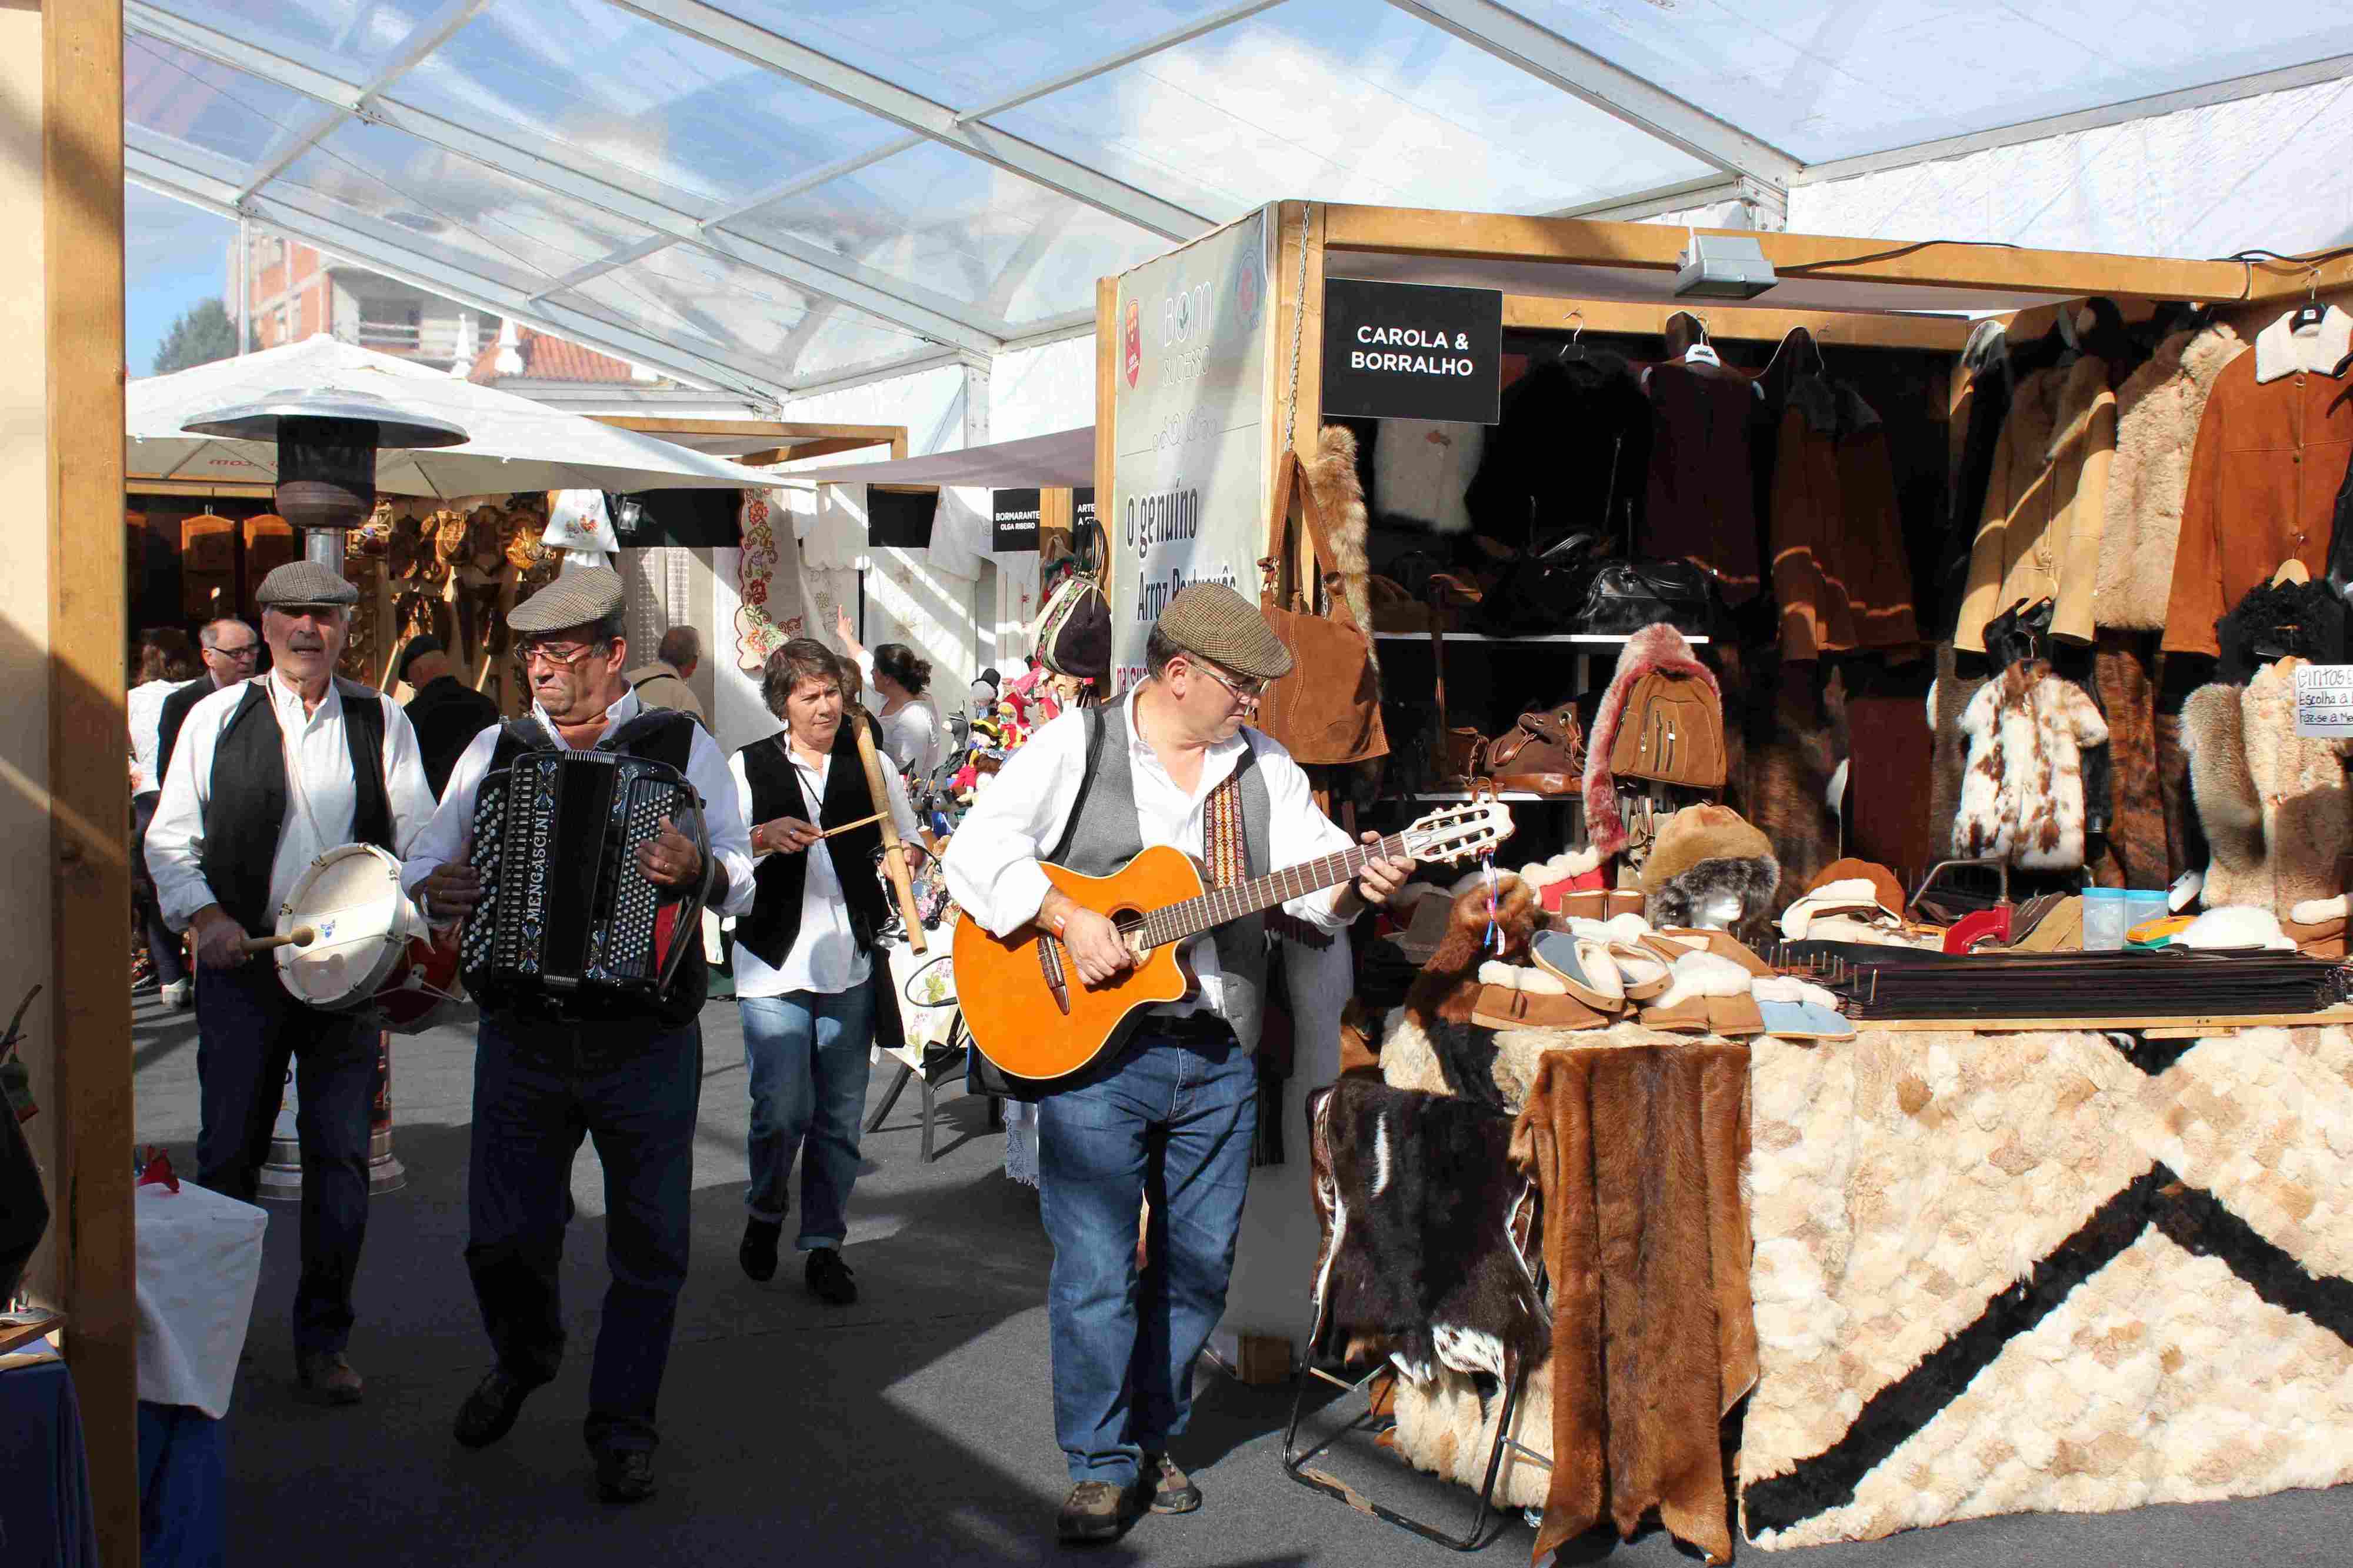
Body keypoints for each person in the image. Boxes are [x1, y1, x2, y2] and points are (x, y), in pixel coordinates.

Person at [941, 582, 1415, 1544]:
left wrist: (1363, 883)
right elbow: (976, 851)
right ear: (1180, 674)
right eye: (1242, 685)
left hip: (1216, 1050)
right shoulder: (1077, 745)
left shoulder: (1264, 767)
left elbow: (1320, 886)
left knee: (1200, 1269)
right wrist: (1070, 916)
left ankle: (1149, 1433)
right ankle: (1101, 1462)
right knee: (1099, 1267)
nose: (1255, 703)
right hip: (1094, 1055)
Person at [401, 567, 754, 1506]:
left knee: (652, 1244)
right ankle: (527, 1352)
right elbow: (428, 855)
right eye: (532, 654)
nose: (541, 671)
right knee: (501, 1236)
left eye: (559, 654)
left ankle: (624, 1425)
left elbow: (743, 868)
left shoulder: (681, 743)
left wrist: (699, 871)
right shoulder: (496, 746)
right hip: (523, 1031)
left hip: (644, 1035)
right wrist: (435, 885)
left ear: (610, 656)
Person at [144, 562, 436, 1406]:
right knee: (229, 1153)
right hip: (244, 969)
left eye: (326, 615)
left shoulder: (381, 719)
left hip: (346, 976)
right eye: (292, 615)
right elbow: (168, 842)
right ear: (265, 626)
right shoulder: (213, 717)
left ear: (348, 629)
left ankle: (323, 1339)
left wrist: (410, 901)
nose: (309, 629)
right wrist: (207, 921)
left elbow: (417, 835)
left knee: (340, 1159)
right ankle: (212, 1334)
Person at [726, 639, 918, 1306]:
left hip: (851, 959)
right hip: (773, 959)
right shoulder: (747, 765)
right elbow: (716, 852)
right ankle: (765, 1207)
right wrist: (759, 837)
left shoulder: (870, 762)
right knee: (781, 1109)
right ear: (783, 702)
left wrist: (909, 859)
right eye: (809, 695)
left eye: (832, 691)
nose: (825, 704)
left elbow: (910, 835)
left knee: (838, 1119)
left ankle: (824, 1245)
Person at [129, 628, 202, 1009]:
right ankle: (205, 970)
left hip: (150, 796)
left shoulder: (132, 700)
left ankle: (171, 978)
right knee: (204, 878)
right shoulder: (200, 696)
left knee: (156, 890)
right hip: (192, 791)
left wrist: (131, 768)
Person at [834, 606, 941, 779]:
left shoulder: (914, 718)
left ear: (888, 678)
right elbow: (864, 661)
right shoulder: (895, 692)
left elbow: (908, 774)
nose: (870, 673)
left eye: (875, 670)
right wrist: (845, 635)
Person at [155, 616, 259, 787]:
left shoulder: (267, 695)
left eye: (252, 650)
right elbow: (169, 776)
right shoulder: (183, 704)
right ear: (209, 657)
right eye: (236, 653)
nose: (247, 659)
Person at [396, 635, 501, 799]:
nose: (414, 687)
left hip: (434, 812)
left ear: (418, 672)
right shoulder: (486, 705)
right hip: (481, 804)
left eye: (411, 682)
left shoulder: (410, 717)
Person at [624, 625, 708, 728]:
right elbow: (698, 742)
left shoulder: (623, 682)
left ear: (660, 651)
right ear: (693, 663)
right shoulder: (685, 699)